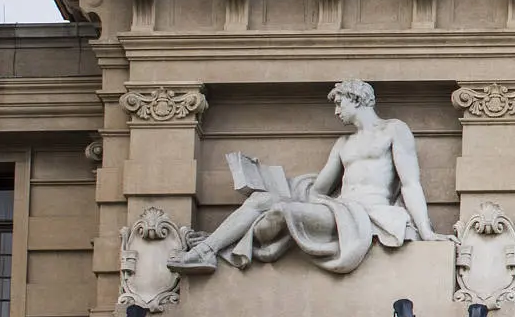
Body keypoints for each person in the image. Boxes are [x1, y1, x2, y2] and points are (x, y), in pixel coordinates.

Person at [168, 79, 440, 275]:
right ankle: (208, 249)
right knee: (264, 200)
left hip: (365, 215)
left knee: (280, 211)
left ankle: (217, 246)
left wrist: (426, 232)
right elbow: (318, 190)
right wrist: (269, 184)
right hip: (338, 209)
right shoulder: (344, 143)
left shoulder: (394, 130)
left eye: (340, 103)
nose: (336, 112)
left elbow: (410, 183)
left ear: (356, 99)